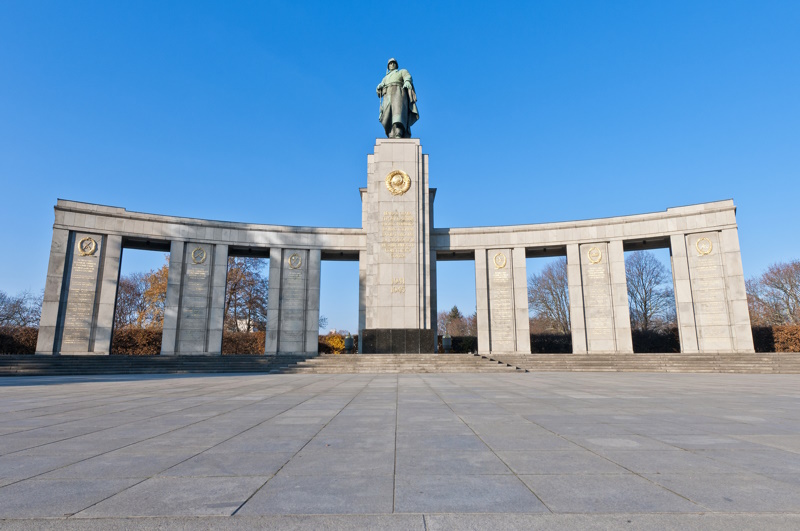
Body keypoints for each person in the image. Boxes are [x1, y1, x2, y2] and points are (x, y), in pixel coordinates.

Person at [376, 58, 419, 138]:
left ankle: (398, 132)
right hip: (387, 96)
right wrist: (379, 88)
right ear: (388, 66)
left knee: (398, 115)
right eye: (390, 63)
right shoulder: (385, 78)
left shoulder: (401, 71)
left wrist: (406, 81)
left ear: (396, 65)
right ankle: (391, 133)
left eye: (393, 63)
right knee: (388, 116)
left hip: (398, 93)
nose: (392, 64)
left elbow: (407, 76)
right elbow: (379, 93)